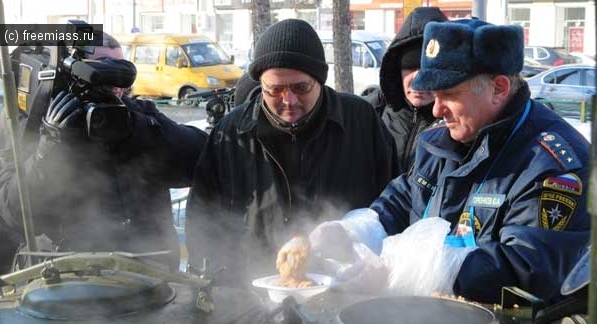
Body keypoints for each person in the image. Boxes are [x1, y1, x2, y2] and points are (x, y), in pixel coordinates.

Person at [307, 18, 591, 304]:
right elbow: (403, 198)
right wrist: (354, 232)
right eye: (434, 94)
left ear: (499, 89)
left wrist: (413, 269)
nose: (437, 108)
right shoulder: (441, 139)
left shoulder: (553, 164)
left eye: (449, 94)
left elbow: (529, 268)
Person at [185, 19, 397, 286]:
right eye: (275, 89)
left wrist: (383, 264)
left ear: (319, 80)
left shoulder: (361, 121)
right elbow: (202, 217)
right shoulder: (232, 132)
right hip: (252, 291)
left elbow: (394, 204)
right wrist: (215, 281)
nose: (289, 100)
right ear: (260, 85)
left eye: (301, 88)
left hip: (346, 286)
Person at [0, 32, 207, 274]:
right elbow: (9, 214)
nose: (116, 83)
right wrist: (48, 150)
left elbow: (200, 160)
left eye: (121, 70)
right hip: (59, 280)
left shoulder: (138, 115)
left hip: (147, 274)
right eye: (102, 71)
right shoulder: (27, 125)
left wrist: (134, 129)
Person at [366, 7, 447, 175]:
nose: (418, 80)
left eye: (427, 70)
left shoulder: (458, 124)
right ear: (396, 71)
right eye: (409, 68)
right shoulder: (371, 113)